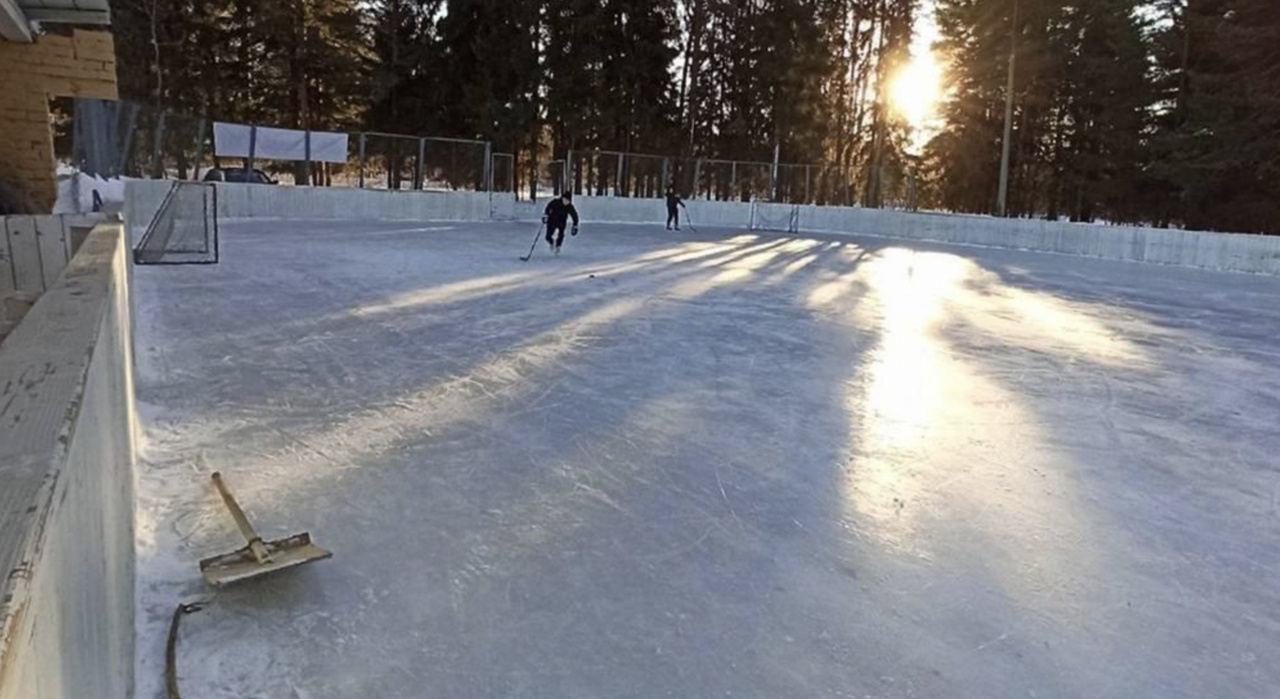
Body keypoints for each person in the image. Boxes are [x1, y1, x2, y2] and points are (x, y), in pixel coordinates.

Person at [543, 191, 580, 255]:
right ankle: (551, 242)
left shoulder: (569, 206)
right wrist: (546, 215)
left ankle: (558, 246)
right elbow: (548, 207)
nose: (567, 202)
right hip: (552, 220)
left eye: (568, 201)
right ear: (563, 198)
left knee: (561, 234)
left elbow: (574, 215)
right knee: (548, 236)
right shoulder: (555, 202)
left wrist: (575, 225)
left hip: (562, 221)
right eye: (565, 200)